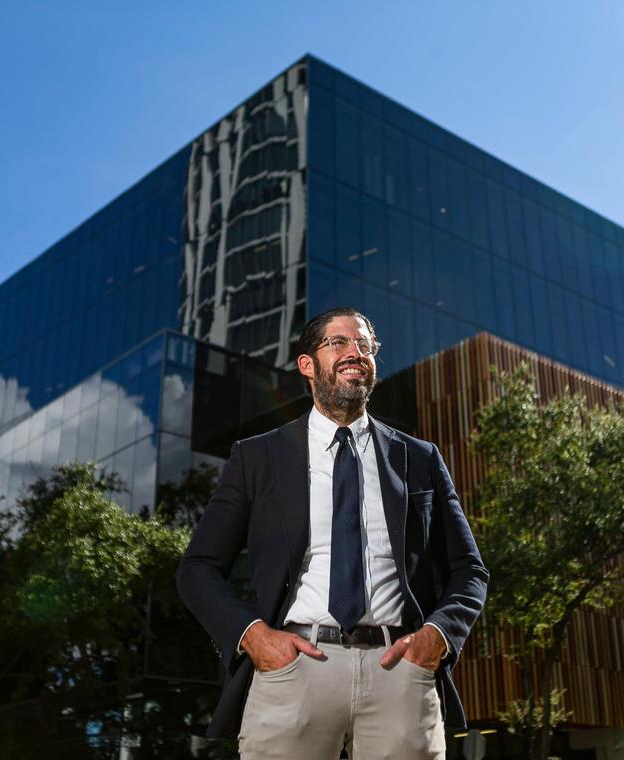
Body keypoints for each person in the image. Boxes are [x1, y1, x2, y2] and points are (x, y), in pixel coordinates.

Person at [176, 307, 489, 759]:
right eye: (338, 343)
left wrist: (437, 637)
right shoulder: (257, 458)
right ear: (307, 365)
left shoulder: (420, 458)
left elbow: (470, 570)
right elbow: (197, 569)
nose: (355, 352)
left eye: (365, 345)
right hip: (295, 667)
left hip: (399, 670)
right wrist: (254, 637)